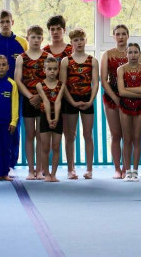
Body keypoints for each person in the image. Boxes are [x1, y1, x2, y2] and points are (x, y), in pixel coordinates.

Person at [0, 9, 28, 177]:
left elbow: (27, 65)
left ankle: (11, 164)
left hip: (16, 90)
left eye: (7, 21)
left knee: (14, 127)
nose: (5, 24)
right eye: (2, 22)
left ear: (12, 22)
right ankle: (0, 167)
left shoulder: (22, 43)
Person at [60, 28, 99, 180]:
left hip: (87, 98)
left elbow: (95, 83)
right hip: (70, 99)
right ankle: (71, 169)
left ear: (85, 40)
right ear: (71, 43)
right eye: (76, 40)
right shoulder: (66, 61)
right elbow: (63, 84)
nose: (79, 42)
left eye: (81, 39)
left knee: (87, 135)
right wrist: (72, 102)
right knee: (70, 135)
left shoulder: (92, 60)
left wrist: (90, 101)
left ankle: (89, 169)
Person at [14, 25, 49, 180]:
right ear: (28, 38)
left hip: (43, 99)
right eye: (33, 37)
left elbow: (51, 79)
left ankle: (39, 169)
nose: (36, 40)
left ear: (42, 39)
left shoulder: (47, 57)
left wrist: (40, 97)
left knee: (41, 135)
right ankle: (30, 170)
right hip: (28, 100)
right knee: (29, 135)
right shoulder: (21, 58)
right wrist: (30, 96)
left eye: (38, 37)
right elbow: (18, 80)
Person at [100, 24, 129, 179]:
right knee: (116, 134)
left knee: (127, 135)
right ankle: (117, 168)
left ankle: (126, 167)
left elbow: (140, 75)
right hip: (112, 96)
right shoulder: (107, 54)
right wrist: (116, 98)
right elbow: (104, 80)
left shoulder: (134, 53)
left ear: (128, 36)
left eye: (124, 34)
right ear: (114, 36)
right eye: (118, 34)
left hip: (130, 97)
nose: (121, 37)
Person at [117, 43, 141, 182]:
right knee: (127, 138)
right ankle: (127, 171)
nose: (133, 55)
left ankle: (135, 171)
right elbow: (121, 92)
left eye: (136, 52)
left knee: (137, 138)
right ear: (126, 54)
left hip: (139, 106)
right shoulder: (121, 69)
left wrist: (127, 90)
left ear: (140, 54)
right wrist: (139, 93)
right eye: (130, 52)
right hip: (125, 106)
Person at [36, 56, 64, 183]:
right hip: (44, 116)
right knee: (45, 147)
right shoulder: (39, 85)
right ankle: (46, 173)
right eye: (49, 69)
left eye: (54, 69)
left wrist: (56, 119)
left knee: (56, 147)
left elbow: (57, 101)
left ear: (58, 70)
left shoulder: (61, 85)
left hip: (57, 116)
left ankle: (54, 174)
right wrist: (49, 119)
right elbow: (46, 101)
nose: (52, 71)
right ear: (44, 70)